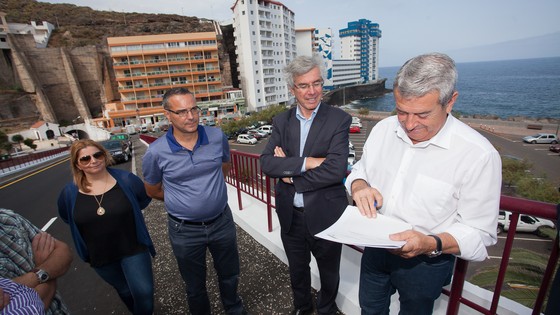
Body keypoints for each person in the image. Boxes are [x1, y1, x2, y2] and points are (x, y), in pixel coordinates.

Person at [345, 52, 502, 314]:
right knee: (370, 309)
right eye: (401, 112)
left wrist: (430, 243)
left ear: (450, 102)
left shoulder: (478, 155)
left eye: (422, 114)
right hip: (375, 247)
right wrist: (359, 185)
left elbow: (481, 233)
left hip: (427, 262)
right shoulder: (384, 129)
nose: (409, 124)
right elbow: (361, 169)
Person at [260, 55, 352, 315]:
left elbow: (335, 171)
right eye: (303, 85)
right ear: (292, 90)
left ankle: (326, 309)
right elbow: (267, 164)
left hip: (326, 214)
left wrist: (289, 173)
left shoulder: (338, 120)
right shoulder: (281, 121)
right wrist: (309, 162)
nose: (312, 91)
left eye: (317, 83)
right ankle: (302, 308)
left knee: (329, 272)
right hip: (291, 216)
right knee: (297, 271)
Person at [142, 87, 246, 315]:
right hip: (184, 230)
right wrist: (185, 202)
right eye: (181, 112)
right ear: (167, 115)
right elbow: (152, 190)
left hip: (222, 221)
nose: (190, 117)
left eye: (193, 109)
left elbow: (224, 167)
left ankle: (234, 309)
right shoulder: (156, 152)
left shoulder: (217, 137)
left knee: (230, 274)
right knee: (194, 286)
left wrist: (209, 195)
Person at [57, 139, 155, 315]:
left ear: (104, 155)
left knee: (144, 292)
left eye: (97, 155)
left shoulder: (126, 180)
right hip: (100, 256)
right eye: (85, 159)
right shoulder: (69, 193)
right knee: (125, 291)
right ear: (78, 165)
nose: (93, 160)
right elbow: (68, 217)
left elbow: (142, 200)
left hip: (133, 247)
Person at [0, 208, 73, 314]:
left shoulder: (7, 220)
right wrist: (47, 271)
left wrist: (38, 275)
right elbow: (33, 307)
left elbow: (63, 252)